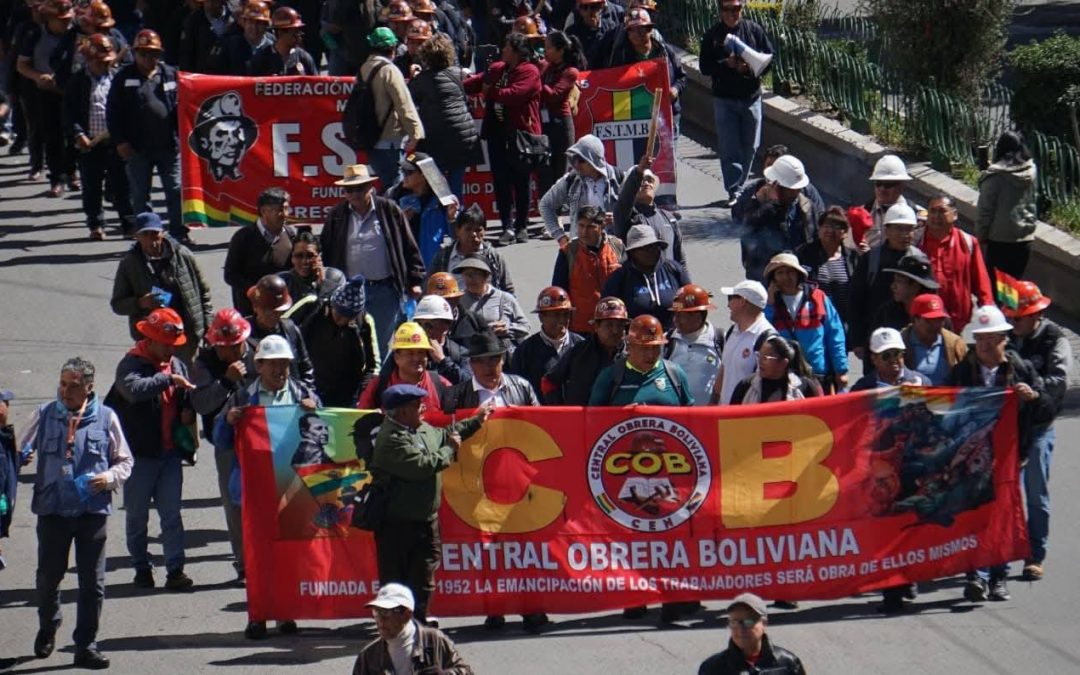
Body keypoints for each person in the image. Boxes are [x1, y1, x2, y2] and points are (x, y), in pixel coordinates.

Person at [20, 358, 132, 670]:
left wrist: (108, 478)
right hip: (53, 511)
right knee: (48, 578)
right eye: (63, 383)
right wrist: (21, 457)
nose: (66, 391)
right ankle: (48, 623)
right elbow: (17, 449)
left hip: (91, 513)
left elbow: (125, 461)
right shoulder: (44, 415)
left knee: (92, 584)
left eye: (73, 386)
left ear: (88, 388)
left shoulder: (106, 418)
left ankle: (86, 645)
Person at [588, 314, 694, 623]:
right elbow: (591, 419)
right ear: (630, 345)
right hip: (625, 473)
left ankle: (672, 598)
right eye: (644, 347)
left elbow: (691, 417)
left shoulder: (674, 374)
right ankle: (634, 596)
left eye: (656, 348)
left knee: (670, 536)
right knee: (631, 535)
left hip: (669, 472)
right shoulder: (612, 376)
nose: (650, 354)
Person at [214, 334, 318, 640]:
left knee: (289, 556)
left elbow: (323, 433)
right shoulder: (243, 398)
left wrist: (315, 409)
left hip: (292, 487)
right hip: (255, 490)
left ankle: (286, 614)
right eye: (272, 364)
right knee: (258, 559)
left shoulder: (302, 393)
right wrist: (227, 422)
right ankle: (257, 616)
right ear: (258, 366)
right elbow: (220, 441)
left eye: (284, 364)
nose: (279, 370)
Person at [370, 383, 491, 624]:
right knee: (396, 580)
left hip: (426, 521)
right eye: (416, 405)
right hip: (398, 524)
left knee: (423, 577)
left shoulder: (420, 428)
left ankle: (419, 623)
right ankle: (394, 628)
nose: (423, 408)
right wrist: (449, 451)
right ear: (402, 411)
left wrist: (476, 421)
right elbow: (422, 467)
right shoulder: (391, 439)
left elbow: (445, 434)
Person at [950, 305, 1047, 604]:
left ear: (1005, 339)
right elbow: (948, 411)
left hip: (1008, 457)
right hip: (973, 456)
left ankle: (998, 577)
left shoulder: (1020, 369)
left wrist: (1031, 398)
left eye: (991, 339)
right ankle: (974, 576)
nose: (985, 346)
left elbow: (1044, 409)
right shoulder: (963, 371)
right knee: (974, 515)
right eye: (980, 340)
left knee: (1003, 517)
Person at [109, 308, 196, 593]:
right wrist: (168, 380)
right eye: (167, 345)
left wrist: (186, 409)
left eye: (175, 345)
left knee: (171, 515)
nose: (172, 350)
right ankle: (141, 568)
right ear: (152, 339)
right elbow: (132, 390)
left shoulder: (177, 365)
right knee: (137, 516)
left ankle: (175, 570)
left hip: (169, 456)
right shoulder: (131, 365)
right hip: (139, 457)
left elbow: (185, 399)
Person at [1003, 282, 1071, 582]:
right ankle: (1002, 553)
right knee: (1006, 495)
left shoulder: (1055, 340)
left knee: (1035, 494)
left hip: (1039, 427)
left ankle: (1035, 554)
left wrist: (1034, 389)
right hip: (1008, 430)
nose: (1012, 323)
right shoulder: (1006, 339)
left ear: (1035, 315)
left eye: (1017, 318)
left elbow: (1061, 381)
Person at [320, 163, 426, 353]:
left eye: (359, 188)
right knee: (348, 343)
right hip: (348, 292)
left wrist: (415, 280)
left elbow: (408, 246)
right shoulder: (336, 215)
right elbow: (326, 251)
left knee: (380, 347)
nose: (354, 194)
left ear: (371, 188)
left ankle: (379, 383)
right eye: (349, 190)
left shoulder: (389, 210)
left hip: (384, 291)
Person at [189, 308, 255, 585]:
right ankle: (243, 564)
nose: (224, 352)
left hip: (264, 438)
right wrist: (226, 380)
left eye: (231, 347)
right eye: (220, 347)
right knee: (234, 503)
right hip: (227, 441)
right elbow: (200, 403)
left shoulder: (259, 351)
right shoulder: (204, 363)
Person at [106, 29, 186, 242]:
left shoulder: (170, 74)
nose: (150, 58)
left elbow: (184, 106)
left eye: (154, 54)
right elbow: (113, 112)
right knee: (140, 193)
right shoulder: (123, 77)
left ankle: (179, 232)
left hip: (169, 145)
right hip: (136, 147)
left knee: (175, 190)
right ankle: (147, 235)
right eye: (144, 53)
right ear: (135, 53)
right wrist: (120, 141)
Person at [463, 32, 542, 245]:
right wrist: (457, 79)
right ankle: (506, 225)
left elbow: (516, 94)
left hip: (521, 135)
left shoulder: (529, 71)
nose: (503, 50)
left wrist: (491, 92)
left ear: (516, 51)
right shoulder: (497, 69)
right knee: (501, 181)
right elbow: (473, 84)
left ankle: (522, 226)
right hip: (497, 134)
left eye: (507, 47)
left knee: (521, 182)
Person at [110, 212, 213, 364]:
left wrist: (208, 326)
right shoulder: (129, 264)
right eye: (145, 234)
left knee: (188, 381)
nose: (151, 240)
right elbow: (117, 304)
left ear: (163, 233)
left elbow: (204, 292)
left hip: (187, 336)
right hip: (153, 341)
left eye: (155, 234)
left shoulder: (183, 255)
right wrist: (140, 303)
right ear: (136, 237)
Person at [698, 0, 773, 203]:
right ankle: (734, 191)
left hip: (751, 98)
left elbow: (768, 58)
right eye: (728, 9)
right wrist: (726, 64)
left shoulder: (753, 30)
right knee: (730, 146)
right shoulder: (713, 35)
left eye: (737, 8)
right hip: (725, 99)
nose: (733, 13)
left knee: (751, 145)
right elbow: (704, 66)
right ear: (721, 11)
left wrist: (749, 68)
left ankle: (741, 185)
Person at [63, 33, 132, 240]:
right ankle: (95, 224)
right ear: (90, 60)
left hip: (115, 141)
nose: (105, 65)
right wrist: (78, 134)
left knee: (123, 185)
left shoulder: (118, 79)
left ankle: (128, 224)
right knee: (92, 186)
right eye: (101, 61)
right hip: (90, 143)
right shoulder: (77, 81)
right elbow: (68, 112)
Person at [761, 252, 847, 393]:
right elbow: (762, 334)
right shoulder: (768, 304)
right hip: (783, 375)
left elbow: (835, 334)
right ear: (773, 278)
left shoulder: (818, 297)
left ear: (798, 274)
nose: (785, 277)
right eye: (780, 273)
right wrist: (770, 305)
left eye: (790, 272)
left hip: (817, 373)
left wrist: (841, 369)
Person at [17, 0, 77, 198]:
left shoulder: (77, 34)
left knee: (74, 134)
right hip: (46, 92)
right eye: (61, 20)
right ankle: (56, 179)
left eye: (68, 20)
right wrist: (37, 76)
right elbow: (22, 65)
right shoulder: (35, 35)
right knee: (52, 136)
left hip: (74, 92)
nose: (65, 24)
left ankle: (71, 171)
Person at [408, 33, 479, 198]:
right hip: (463, 135)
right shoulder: (458, 74)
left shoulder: (421, 80)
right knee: (456, 185)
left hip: (436, 138)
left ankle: (440, 221)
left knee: (436, 187)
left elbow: (410, 98)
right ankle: (457, 219)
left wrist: (414, 76)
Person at [353, 583, 473, 674]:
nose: (380, 620)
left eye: (386, 613)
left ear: (407, 614)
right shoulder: (368, 656)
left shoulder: (434, 640)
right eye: (376, 612)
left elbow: (466, 671)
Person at [299, 275, 381, 407]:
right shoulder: (312, 307)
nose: (341, 320)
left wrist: (364, 394)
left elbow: (373, 366)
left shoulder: (364, 322)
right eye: (339, 314)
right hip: (309, 384)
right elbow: (288, 334)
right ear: (332, 305)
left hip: (344, 390)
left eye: (348, 317)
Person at [850, 203, 918, 360]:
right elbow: (856, 300)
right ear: (887, 231)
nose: (905, 234)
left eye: (909, 229)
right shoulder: (871, 259)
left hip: (912, 339)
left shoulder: (920, 261)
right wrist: (858, 340)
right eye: (899, 229)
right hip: (876, 337)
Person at [739, 154, 822, 283]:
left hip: (796, 278)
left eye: (798, 189)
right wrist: (772, 205)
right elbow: (749, 234)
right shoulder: (756, 206)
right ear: (777, 186)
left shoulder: (806, 206)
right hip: (764, 277)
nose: (796, 192)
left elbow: (813, 240)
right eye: (792, 189)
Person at [360, 26, 425, 188]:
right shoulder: (390, 70)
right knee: (397, 185)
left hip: (370, 138)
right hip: (390, 140)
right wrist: (416, 133)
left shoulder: (364, 68)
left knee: (386, 183)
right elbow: (404, 104)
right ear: (392, 48)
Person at [919, 194, 993, 333]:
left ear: (955, 215)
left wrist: (988, 313)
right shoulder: (917, 242)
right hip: (925, 323)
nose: (936, 216)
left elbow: (982, 284)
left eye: (941, 211)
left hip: (960, 324)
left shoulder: (968, 243)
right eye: (932, 211)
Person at [605, 8, 685, 135]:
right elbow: (614, 85)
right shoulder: (621, 57)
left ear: (650, 29)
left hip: (667, 116)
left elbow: (682, 77)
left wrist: (675, 89)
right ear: (628, 33)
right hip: (636, 119)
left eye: (642, 29)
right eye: (633, 30)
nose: (638, 34)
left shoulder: (666, 52)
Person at [539, 133, 624, 247]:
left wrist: (618, 218)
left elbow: (637, 212)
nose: (576, 164)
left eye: (582, 160)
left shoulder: (619, 178)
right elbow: (545, 205)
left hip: (613, 249)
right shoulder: (571, 180)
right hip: (580, 251)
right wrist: (561, 237)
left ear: (594, 160)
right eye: (574, 159)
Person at [601, 224, 690, 331]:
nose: (651, 251)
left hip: (674, 338)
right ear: (632, 252)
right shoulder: (619, 278)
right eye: (645, 248)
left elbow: (691, 301)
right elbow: (609, 316)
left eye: (654, 246)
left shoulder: (673, 269)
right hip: (636, 342)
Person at [552, 205, 625, 335]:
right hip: (581, 328)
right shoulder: (568, 251)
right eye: (581, 226)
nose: (584, 232)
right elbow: (559, 292)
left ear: (602, 227)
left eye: (591, 227)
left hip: (614, 325)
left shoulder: (617, 247)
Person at [223, 187, 297, 316]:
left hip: (283, 310)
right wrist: (254, 291)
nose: (286, 214)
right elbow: (230, 275)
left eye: (286, 208)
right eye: (280, 210)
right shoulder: (243, 237)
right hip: (251, 311)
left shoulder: (291, 235)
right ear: (264, 211)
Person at [542, 296, 629, 405]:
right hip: (581, 419)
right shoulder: (579, 352)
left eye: (620, 326)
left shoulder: (633, 355)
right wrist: (560, 410)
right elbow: (548, 382)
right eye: (609, 325)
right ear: (596, 326)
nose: (615, 331)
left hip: (620, 420)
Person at [976, 130, 1038, 280]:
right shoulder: (1031, 171)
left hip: (1000, 242)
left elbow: (985, 211)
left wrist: (980, 236)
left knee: (999, 289)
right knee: (1014, 287)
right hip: (1025, 238)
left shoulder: (995, 177)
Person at [697, 593, 806, 675]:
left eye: (748, 622)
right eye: (734, 622)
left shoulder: (787, 663)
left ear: (764, 623)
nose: (740, 628)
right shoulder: (712, 668)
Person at [357, 321, 452, 411]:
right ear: (396, 358)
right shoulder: (378, 386)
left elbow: (455, 421)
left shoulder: (441, 384)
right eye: (410, 353)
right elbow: (359, 421)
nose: (416, 358)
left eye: (421, 352)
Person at [796, 206, 858, 342]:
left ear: (845, 232)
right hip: (810, 325)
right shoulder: (804, 253)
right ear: (819, 229)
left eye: (837, 226)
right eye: (827, 225)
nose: (830, 230)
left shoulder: (853, 258)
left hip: (841, 328)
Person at [244, 274, 316, 390]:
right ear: (255, 307)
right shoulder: (244, 335)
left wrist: (306, 393)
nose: (274, 316)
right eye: (269, 311)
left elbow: (305, 367)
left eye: (279, 312)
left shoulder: (290, 329)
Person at [509, 286, 583, 397]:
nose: (562, 320)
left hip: (575, 413)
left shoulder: (581, 346)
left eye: (566, 314)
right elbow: (517, 391)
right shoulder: (525, 351)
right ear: (541, 317)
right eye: (556, 315)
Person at [613, 154, 685, 265]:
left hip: (667, 281)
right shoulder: (625, 217)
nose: (646, 183)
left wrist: (685, 282)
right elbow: (625, 201)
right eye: (641, 181)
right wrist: (639, 172)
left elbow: (680, 260)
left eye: (649, 180)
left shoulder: (669, 219)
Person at [391, 151, 459, 268]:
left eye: (409, 172)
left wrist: (452, 219)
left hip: (433, 268)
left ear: (424, 174)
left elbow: (458, 238)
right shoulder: (394, 197)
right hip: (404, 268)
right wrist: (400, 221)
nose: (404, 176)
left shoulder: (443, 202)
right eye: (403, 171)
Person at [537, 30, 584, 198]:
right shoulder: (546, 67)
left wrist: (538, 81)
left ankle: (558, 212)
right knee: (544, 169)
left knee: (560, 169)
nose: (544, 52)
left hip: (561, 125)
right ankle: (547, 210)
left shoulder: (570, 72)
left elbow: (554, 96)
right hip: (544, 124)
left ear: (560, 50)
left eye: (548, 48)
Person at [429, 204, 516, 294]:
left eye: (478, 230)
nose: (473, 234)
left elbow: (508, 290)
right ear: (457, 231)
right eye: (468, 229)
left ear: (484, 231)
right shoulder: (443, 257)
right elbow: (429, 287)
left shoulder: (494, 256)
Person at [713, 279, 774, 405]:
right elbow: (724, 370)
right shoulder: (731, 332)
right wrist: (713, 402)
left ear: (742, 302)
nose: (728, 305)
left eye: (731, 298)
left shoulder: (767, 338)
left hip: (748, 419)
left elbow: (767, 384)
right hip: (725, 416)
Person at [731, 143, 823, 222]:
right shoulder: (757, 188)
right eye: (768, 165)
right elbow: (737, 214)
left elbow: (819, 215)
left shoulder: (806, 190)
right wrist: (757, 201)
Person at [664, 284, 723, 405]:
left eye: (681, 315)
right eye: (675, 314)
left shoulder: (722, 340)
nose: (676, 320)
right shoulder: (666, 341)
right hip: (674, 419)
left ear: (698, 315)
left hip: (709, 418)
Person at [456, 256, 530, 348]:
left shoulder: (504, 298)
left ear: (486, 276)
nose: (470, 279)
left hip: (501, 354)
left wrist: (507, 329)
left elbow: (525, 326)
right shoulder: (458, 301)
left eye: (475, 274)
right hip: (472, 355)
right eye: (467, 275)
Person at [279, 231, 347, 328]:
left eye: (310, 256)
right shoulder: (282, 282)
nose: (305, 261)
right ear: (292, 258)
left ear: (320, 257)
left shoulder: (335, 278)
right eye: (299, 256)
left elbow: (337, 318)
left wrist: (323, 286)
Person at [730, 334, 822, 404]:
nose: (760, 361)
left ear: (783, 363)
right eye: (759, 356)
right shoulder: (746, 386)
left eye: (765, 358)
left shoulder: (804, 387)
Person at [869, 250, 940, 340]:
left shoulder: (937, 316)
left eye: (899, 281)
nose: (893, 286)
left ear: (916, 286)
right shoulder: (886, 313)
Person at [900, 294, 967, 385]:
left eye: (940, 319)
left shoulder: (955, 344)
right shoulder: (900, 344)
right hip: (912, 398)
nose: (936, 325)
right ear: (915, 319)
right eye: (929, 320)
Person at [853, 154, 913, 251]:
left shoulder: (916, 216)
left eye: (888, 185)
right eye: (878, 184)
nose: (882, 189)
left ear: (902, 186)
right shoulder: (862, 214)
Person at [413, 294, 471, 385]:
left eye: (429, 325)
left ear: (446, 326)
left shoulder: (460, 352)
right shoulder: (408, 350)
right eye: (419, 324)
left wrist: (443, 361)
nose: (423, 330)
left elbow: (469, 383)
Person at [852, 327, 930, 392]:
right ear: (874, 359)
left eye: (897, 353)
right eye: (886, 355)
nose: (893, 359)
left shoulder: (922, 382)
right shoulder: (862, 388)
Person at [247, 7, 317, 75]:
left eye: (299, 31)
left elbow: (317, 84)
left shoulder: (303, 58)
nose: (299, 35)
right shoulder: (262, 59)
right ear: (280, 32)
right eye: (295, 31)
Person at [210, 0, 272, 75]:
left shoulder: (272, 47)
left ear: (266, 25)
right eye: (251, 22)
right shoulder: (229, 45)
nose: (254, 27)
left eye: (259, 23)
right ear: (244, 22)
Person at [178, 0, 233, 73]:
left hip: (229, 76)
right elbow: (186, 53)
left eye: (214, 1)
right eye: (207, 2)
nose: (210, 5)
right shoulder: (193, 20)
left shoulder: (233, 19)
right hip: (202, 76)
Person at [564, 0, 617, 69]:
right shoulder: (572, 32)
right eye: (585, 7)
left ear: (601, 7)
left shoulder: (611, 28)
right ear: (579, 10)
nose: (589, 11)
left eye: (593, 7)